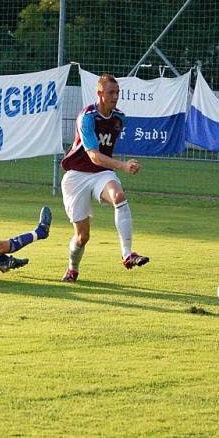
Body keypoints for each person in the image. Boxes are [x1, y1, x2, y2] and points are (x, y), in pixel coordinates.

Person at [59, 73, 149, 283]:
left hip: (101, 174)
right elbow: (94, 156)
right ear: (99, 93)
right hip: (77, 176)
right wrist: (123, 165)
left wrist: (119, 167)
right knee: (82, 237)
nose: (115, 96)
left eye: (117, 92)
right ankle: (72, 269)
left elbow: (102, 159)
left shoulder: (120, 118)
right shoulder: (87, 116)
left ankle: (127, 254)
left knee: (118, 196)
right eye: (111, 92)